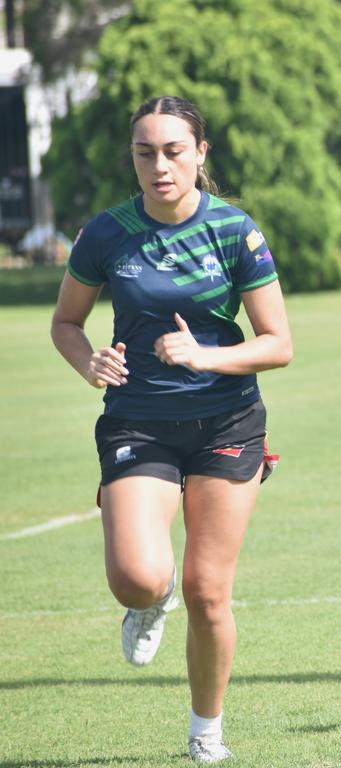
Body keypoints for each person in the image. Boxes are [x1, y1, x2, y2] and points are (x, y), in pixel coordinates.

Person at [51, 95, 292, 763]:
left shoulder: (234, 231)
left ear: (200, 153)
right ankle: (144, 605)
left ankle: (205, 732)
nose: (159, 165)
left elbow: (278, 343)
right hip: (139, 422)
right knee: (137, 578)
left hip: (227, 419)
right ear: (133, 157)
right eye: (145, 152)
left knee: (208, 592)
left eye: (173, 150)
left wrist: (206, 356)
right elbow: (65, 324)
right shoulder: (107, 233)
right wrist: (88, 362)